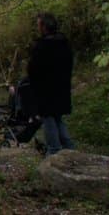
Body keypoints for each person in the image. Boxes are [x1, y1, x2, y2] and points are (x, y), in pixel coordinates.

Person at [27, 12, 75, 155]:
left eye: (38, 25)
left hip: (46, 90)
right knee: (57, 118)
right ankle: (69, 148)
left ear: (43, 27)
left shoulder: (42, 46)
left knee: (49, 119)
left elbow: (33, 69)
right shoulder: (63, 43)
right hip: (61, 87)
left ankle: (54, 151)